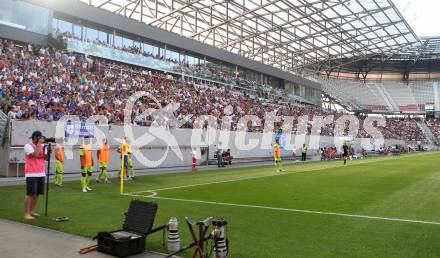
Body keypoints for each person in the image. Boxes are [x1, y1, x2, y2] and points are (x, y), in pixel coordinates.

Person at [23, 131, 49, 220]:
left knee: (37, 194)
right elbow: (35, 155)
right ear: (35, 137)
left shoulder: (42, 146)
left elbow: (46, 158)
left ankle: (31, 211)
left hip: (41, 172)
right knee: (30, 193)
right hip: (31, 173)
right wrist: (39, 144)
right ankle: (26, 214)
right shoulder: (28, 146)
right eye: (39, 137)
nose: (41, 139)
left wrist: (48, 151)